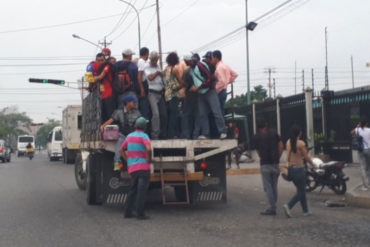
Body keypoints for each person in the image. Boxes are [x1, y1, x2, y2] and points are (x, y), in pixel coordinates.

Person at [185, 55, 227, 139]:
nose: (186, 63)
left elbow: (209, 79)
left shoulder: (200, 66)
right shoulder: (191, 70)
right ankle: (205, 133)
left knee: (216, 112)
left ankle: (222, 131)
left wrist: (199, 87)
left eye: (186, 61)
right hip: (201, 93)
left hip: (209, 91)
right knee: (202, 114)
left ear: (190, 60)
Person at [120, 117, 152, 220]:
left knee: (132, 190)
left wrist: (127, 159)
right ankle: (140, 214)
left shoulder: (129, 136)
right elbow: (148, 148)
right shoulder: (144, 136)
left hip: (132, 168)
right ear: (144, 127)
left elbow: (121, 149)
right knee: (141, 191)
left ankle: (127, 212)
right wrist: (149, 159)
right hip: (143, 167)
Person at [100, 95, 141, 171]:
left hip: (133, 136)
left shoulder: (137, 113)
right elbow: (111, 120)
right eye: (133, 102)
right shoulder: (119, 112)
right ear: (128, 103)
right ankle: (117, 163)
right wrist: (103, 126)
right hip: (123, 135)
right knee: (119, 144)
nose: (135, 103)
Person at [283, 124, 315, 218]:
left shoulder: (288, 142)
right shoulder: (300, 143)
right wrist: (313, 164)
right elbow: (306, 156)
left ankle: (305, 211)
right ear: (299, 133)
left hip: (291, 170)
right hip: (299, 170)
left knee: (301, 190)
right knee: (301, 191)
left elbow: (288, 157)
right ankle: (289, 206)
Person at [253, 118, 283, 216]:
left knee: (268, 187)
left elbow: (258, 151)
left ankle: (272, 208)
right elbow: (281, 146)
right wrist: (278, 157)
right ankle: (274, 206)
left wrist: (263, 157)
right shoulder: (274, 133)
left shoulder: (257, 136)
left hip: (265, 164)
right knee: (274, 185)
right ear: (266, 125)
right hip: (275, 163)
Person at [145, 51, 167, 140]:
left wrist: (161, 73)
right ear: (151, 59)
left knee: (164, 114)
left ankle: (162, 133)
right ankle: (155, 135)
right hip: (152, 93)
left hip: (160, 93)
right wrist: (158, 73)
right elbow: (150, 78)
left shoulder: (158, 66)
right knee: (156, 114)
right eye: (154, 59)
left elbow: (163, 75)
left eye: (156, 59)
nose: (155, 61)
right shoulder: (147, 67)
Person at [164, 52, 187, 139]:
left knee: (170, 114)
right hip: (174, 94)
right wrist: (186, 84)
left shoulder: (166, 69)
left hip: (167, 94)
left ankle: (169, 134)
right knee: (175, 115)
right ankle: (173, 134)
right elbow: (180, 81)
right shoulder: (175, 69)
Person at [211, 50, 238, 116]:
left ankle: (220, 126)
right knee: (221, 110)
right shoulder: (226, 65)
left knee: (218, 112)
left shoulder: (219, 68)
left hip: (219, 92)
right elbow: (235, 74)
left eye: (212, 58)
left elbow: (221, 81)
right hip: (224, 91)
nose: (212, 60)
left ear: (215, 58)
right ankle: (222, 125)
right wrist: (227, 81)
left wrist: (215, 90)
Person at [93, 53, 115, 122]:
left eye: (102, 60)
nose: (100, 62)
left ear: (105, 60)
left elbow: (101, 76)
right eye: (98, 60)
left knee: (110, 115)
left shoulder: (107, 66)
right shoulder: (99, 69)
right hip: (103, 95)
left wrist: (93, 78)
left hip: (109, 94)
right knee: (104, 116)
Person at [351, 116, 370, 191]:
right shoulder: (369, 130)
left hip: (361, 150)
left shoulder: (357, 129)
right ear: (367, 123)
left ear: (360, 123)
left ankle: (365, 186)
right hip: (369, 149)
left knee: (363, 167)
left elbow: (351, 133)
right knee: (369, 167)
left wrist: (357, 126)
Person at [182, 55, 199, 139]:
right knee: (196, 115)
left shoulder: (187, 71)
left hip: (189, 96)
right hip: (198, 96)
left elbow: (184, 84)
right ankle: (195, 135)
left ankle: (187, 135)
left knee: (186, 116)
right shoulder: (199, 70)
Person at [137, 47, 151, 120]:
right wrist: (142, 89)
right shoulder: (141, 61)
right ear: (147, 53)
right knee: (144, 109)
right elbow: (139, 76)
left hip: (146, 85)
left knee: (146, 108)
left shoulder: (145, 61)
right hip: (143, 85)